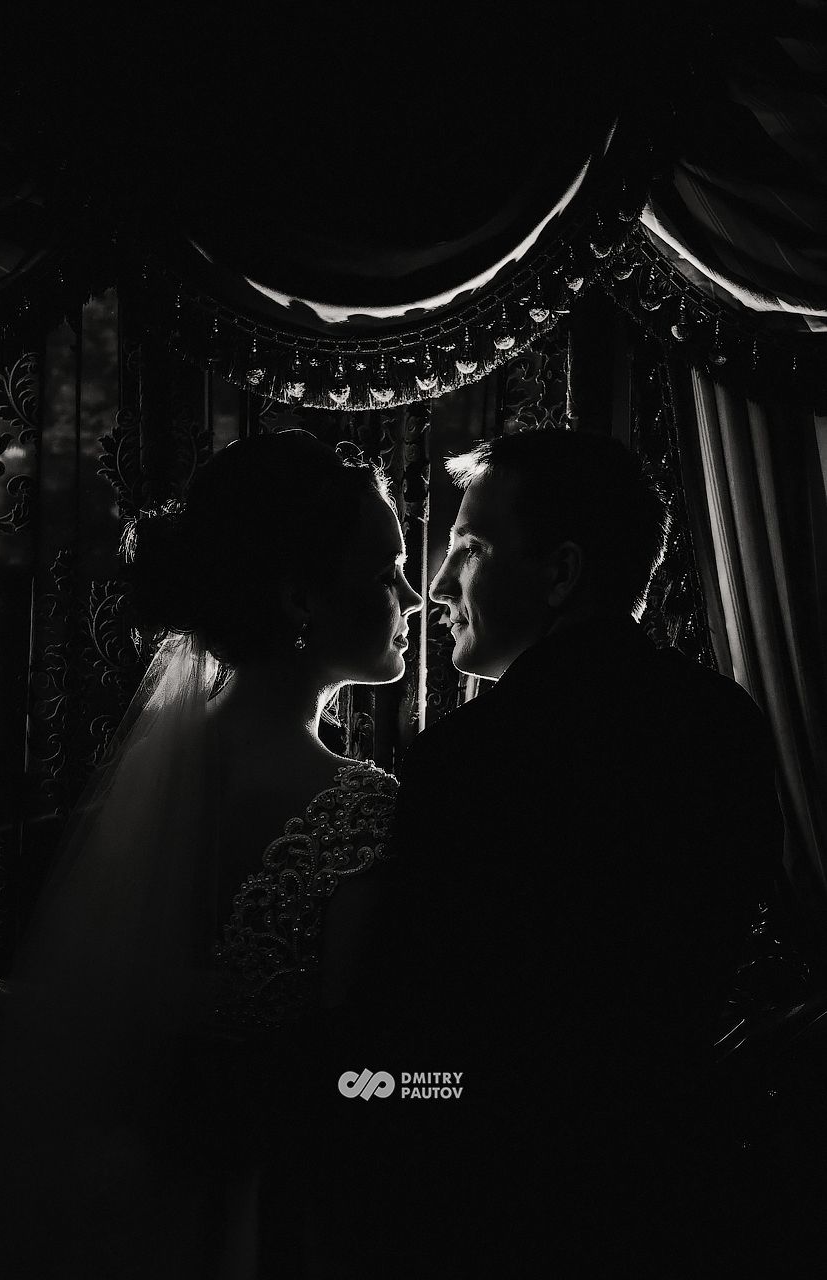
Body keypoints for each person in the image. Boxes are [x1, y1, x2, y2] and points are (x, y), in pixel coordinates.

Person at [0, 429, 421, 1279]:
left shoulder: (144, 786)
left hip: (117, 1199)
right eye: (385, 573)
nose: (414, 596)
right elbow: (360, 1075)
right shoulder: (361, 809)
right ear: (300, 599)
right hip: (271, 1212)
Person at [344, 429, 787, 1278]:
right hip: (684, 1193)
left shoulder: (471, 759)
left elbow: (421, 1036)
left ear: (560, 573)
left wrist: (327, 1088)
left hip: (499, 1203)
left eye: (469, 549)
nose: (438, 586)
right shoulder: (724, 721)